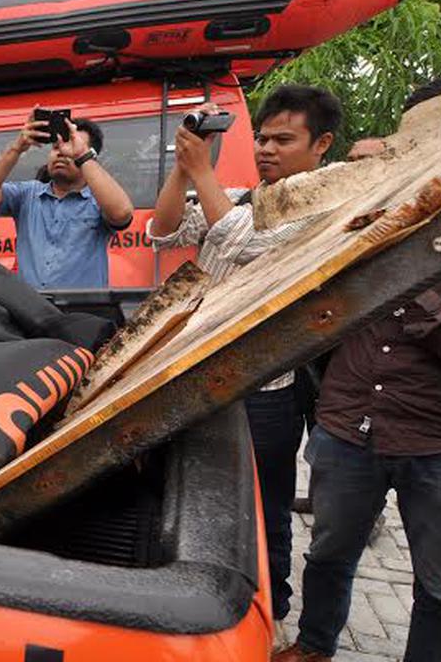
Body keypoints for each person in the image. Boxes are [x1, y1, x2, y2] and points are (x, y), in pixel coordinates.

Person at [275, 76, 441, 662]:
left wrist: (402, 287)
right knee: (328, 553)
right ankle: (314, 646)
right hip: (347, 424)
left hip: (438, 440)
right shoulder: (370, 205)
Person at [149, 85, 342, 627]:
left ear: (321, 143)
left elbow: (251, 248)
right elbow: (161, 232)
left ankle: (270, 615)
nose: (266, 149)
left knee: (265, 511)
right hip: (200, 379)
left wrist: (203, 176)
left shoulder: (325, 205)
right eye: (261, 137)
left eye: (284, 139)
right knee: (196, 500)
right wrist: (185, 169)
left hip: (265, 393)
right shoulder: (236, 198)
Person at [0, 109, 134, 289]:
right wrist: (17, 147)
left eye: (72, 147)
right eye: (56, 147)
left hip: (84, 312)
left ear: (89, 154)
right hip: (33, 310)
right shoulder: (28, 194)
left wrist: (82, 155)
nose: (62, 153)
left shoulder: (98, 200)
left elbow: (122, 213)